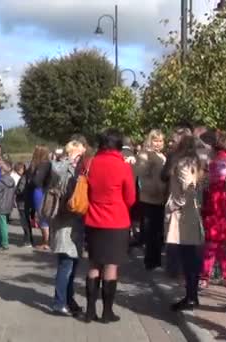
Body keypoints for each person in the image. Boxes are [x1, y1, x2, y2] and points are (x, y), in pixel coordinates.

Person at [84, 129, 136, 323]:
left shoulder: (92, 163)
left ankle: (90, 310)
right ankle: (107, 312)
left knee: (94, 263)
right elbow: (130, 198)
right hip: (116, 221)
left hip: (93, 219)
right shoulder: (122, 166)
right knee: (111, 265)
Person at [164, 135, 205, 311]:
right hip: (192, 213)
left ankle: (190, 297)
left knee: (188, 258)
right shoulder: (196, 163)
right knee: (192, 258)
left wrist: (174, 204)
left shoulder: (183, 164)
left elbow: (187, 188)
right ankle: (192, 296)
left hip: (183, 215)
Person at [51, 138, 87, 316]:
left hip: (73, 224)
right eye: (80, 153)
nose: (82, 157)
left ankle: (68, 299)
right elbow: (57, 176)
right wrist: (69, 160)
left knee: (71, 265)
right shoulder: (64, 169)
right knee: (66, 265)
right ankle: (59, 302)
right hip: (65, 224)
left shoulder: (74, 169)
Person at [199, 132, 226, 289]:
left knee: (210, 245)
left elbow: (204, 187)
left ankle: (204, 277)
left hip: (213, 208)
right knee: (222, 245)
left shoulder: (212, 164)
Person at [135, 129, 167, 270]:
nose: (158, 143)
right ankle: (150, 260)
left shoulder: (162, 156)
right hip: (149, 197)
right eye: (155, 140)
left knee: (158, 230)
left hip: (161, 197)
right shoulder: (145, 154)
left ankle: (156, 258)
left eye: (160, 141)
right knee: (150, 230)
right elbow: (141, 174)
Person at [29, 145, 52, 249]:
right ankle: (48, 240)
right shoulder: (51, 164)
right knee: (48, 216)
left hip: (40, 191)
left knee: (42, 217)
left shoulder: (41, 165)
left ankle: (46, 242)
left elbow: (36, 181)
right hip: (49, 191)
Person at [0, 162, 16, 251]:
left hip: (0, 205)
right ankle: (0, 242)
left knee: (2, 225)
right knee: (2, 223)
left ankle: (4, 243)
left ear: (2, 171)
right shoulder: (12, 180)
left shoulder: (0, 181)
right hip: (8, 204)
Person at [14, 162, 32, 247]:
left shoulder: (23, 178)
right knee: (27, 221)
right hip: (26, 202)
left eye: (17, 171)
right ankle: (29, 239)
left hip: (22, 203)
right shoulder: (27, 177)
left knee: (25, 222)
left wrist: (15, 191)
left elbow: (20, 190)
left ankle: (27, 240)